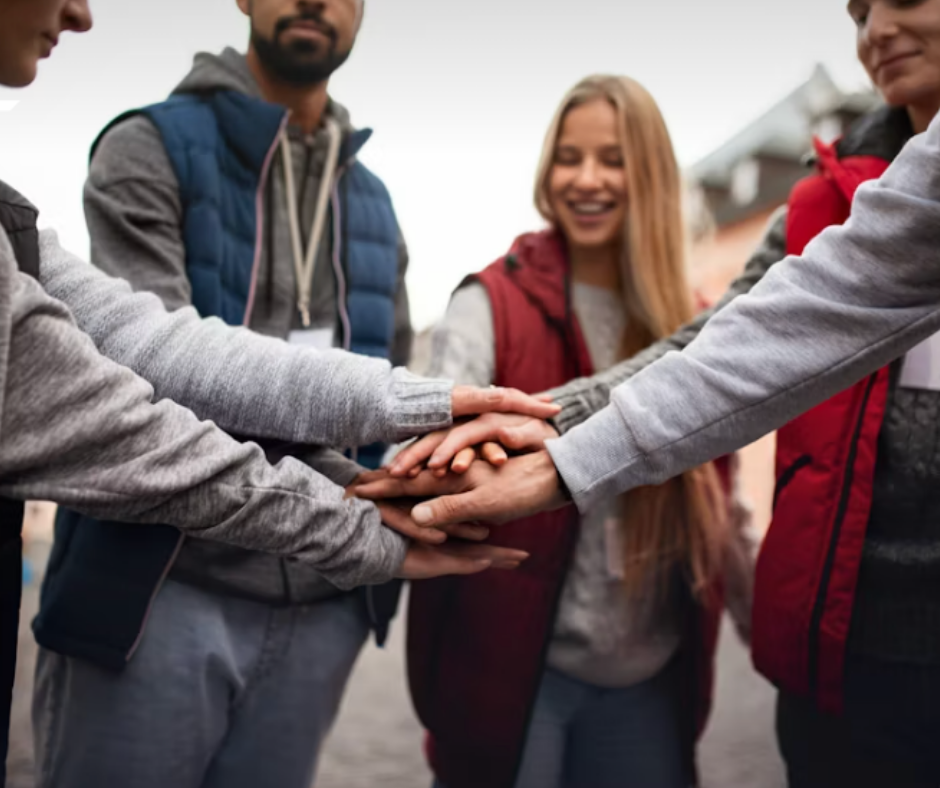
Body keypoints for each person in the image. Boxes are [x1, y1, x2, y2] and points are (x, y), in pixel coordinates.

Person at [356, 1, 940, 785]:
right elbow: (731, 348)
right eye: (857, 12)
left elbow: (720, 482)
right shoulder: (496, 300)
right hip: (807, 658)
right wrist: (545, 432)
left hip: (651, 666)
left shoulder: (681, 299)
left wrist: (737, 596)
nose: (873, 33)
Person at [0, 0, 548, 782]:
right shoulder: (145, 146)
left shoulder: (376, 201)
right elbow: (145, 373)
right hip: (162, 593)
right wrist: (359, 503)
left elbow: (384, 366)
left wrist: (420, 446)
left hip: (320, 606)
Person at [404, 75, 754, 788]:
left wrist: (772, 633)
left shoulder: (696, 321)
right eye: (569, 156)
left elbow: (727, 504)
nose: (586, 179)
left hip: (650, 679)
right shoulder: (488, 302)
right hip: (516, 676)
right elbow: (428, 454)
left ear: (651, 171)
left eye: (613, 158)